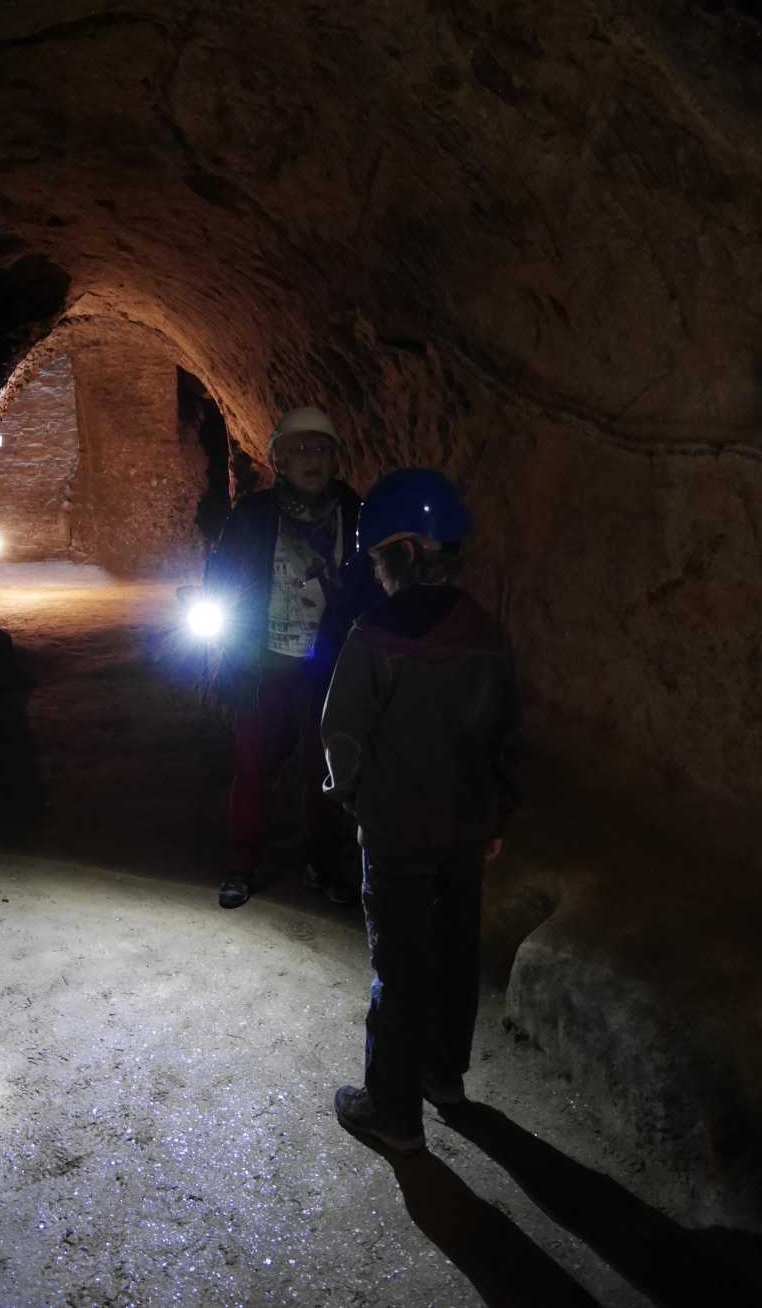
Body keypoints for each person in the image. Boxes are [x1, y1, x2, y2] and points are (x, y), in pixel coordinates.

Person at [320, 468, 520, 1152]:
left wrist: (354, 799)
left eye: (376, 558)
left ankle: (393, 1111)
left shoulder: (375, 635)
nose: (373, 573)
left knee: (399, 965)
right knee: (456, 950)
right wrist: (495, 817)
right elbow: (505, 734)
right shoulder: (487, 631)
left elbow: (342, 731)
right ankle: (445, 1078)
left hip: (398, 831)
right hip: (466, 829)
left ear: (399, 553)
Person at [205, 407, 376, 910]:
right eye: (300, 449)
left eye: (321, 449)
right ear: (279, 458)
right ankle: (242, 864)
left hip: (328, 664)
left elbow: (371, 580)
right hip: (264, 659)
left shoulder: (355, 511)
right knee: (253, 763)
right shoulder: (255, 514)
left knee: (321, 771)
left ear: (336, 459)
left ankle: (322, 866)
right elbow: (224, 569)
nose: (312, 459)